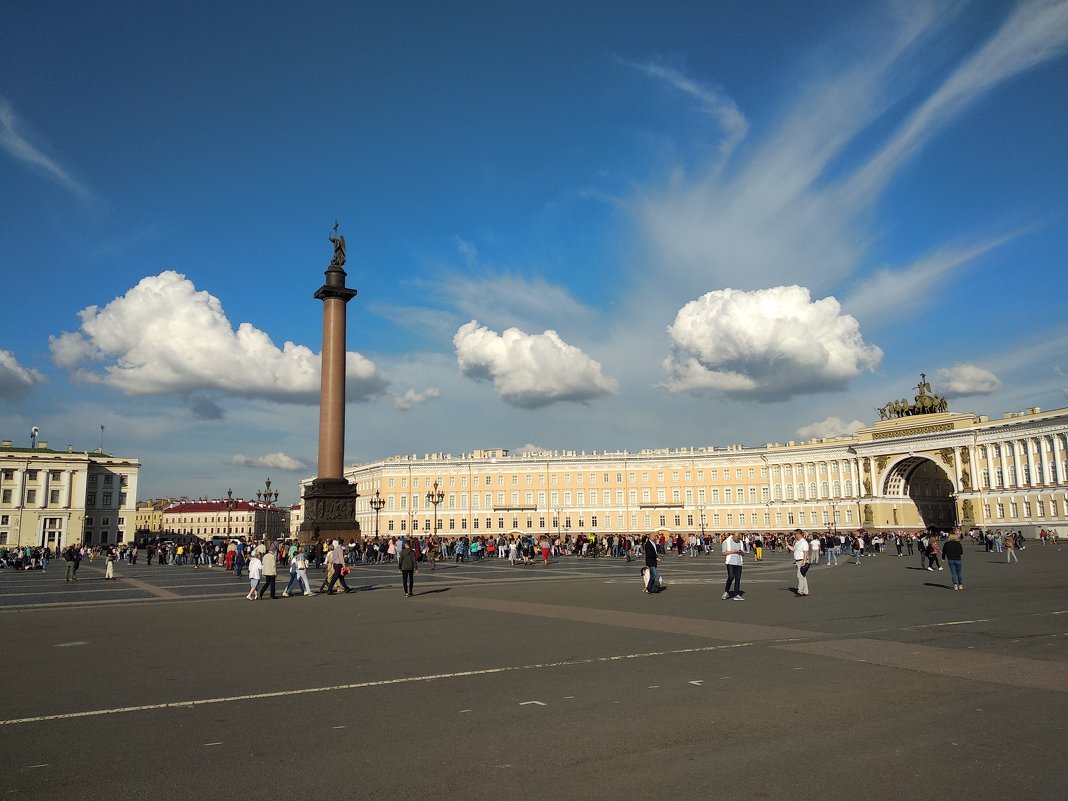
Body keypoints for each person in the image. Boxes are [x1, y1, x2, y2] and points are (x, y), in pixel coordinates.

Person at [721, 532, 744, 600]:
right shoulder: (726, 542)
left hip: (739, 562)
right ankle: (726, 591)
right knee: (731, 577)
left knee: (737, 578)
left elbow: (743, 553)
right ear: (733, 536)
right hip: (730, 562)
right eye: (737, 538)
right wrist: (733, 551)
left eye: (739, 538)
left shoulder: (740, 542)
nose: (738, 540)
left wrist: (741, 552)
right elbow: (723, 553)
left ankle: (736, 594)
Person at [792, 529, 810, 597]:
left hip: (802, 560)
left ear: (798, 534)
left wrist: (804, 562)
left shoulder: (804, 542)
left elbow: (806, 553)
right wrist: (788, 545)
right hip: (798, 561)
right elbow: (793, 549)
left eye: (795, 534)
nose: (794, 535)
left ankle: (800, 591)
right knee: (803, 576)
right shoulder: (797, 542)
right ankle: (806, 591)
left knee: (799, 576)